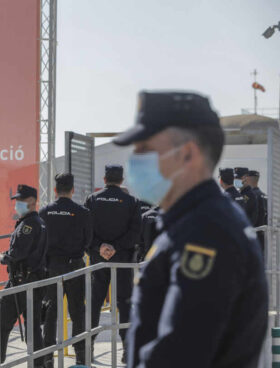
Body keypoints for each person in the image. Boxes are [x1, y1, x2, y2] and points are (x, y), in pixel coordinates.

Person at [114, 91, 267, 367]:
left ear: (187, 154)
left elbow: (180, 354)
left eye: (145, 149)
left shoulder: (208, 232)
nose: (134, 160)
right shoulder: (192, 222)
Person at [84, 165, 141, 363]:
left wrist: (100, 247)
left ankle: (87, 349)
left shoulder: (92, 199)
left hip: (98, 261)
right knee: (125, 305)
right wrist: (115, 247)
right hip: (123, 262)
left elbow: (86, 230)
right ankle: (127, 350)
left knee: (94, 304)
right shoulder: (131, 201)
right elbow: (135, 233)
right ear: (122, 179)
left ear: (104, 178)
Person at [0, 185, 47, 368]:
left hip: (21, 281)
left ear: (31, 201)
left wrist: (3, 257)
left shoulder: (28, 224)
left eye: (20, 201)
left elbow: (18, 253)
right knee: (33, 326)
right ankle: (39, 364)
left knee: (2, 323)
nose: (17, 204)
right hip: (34, 280)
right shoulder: (39, 222)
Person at [39, 174, 92, 366]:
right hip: (75, 265)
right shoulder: (82, 212)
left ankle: (47, 358)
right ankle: (80, 357)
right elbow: (88, 240)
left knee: (51, 311)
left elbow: (41, 241)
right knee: (77, 311)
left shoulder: (44, 211)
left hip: (52, 266)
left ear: (55, 190)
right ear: (73, 190)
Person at [247, 170, 268, 251]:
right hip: (264, 236)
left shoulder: (251, 196)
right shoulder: (265, 196)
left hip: (254, 236)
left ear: (248, 179)